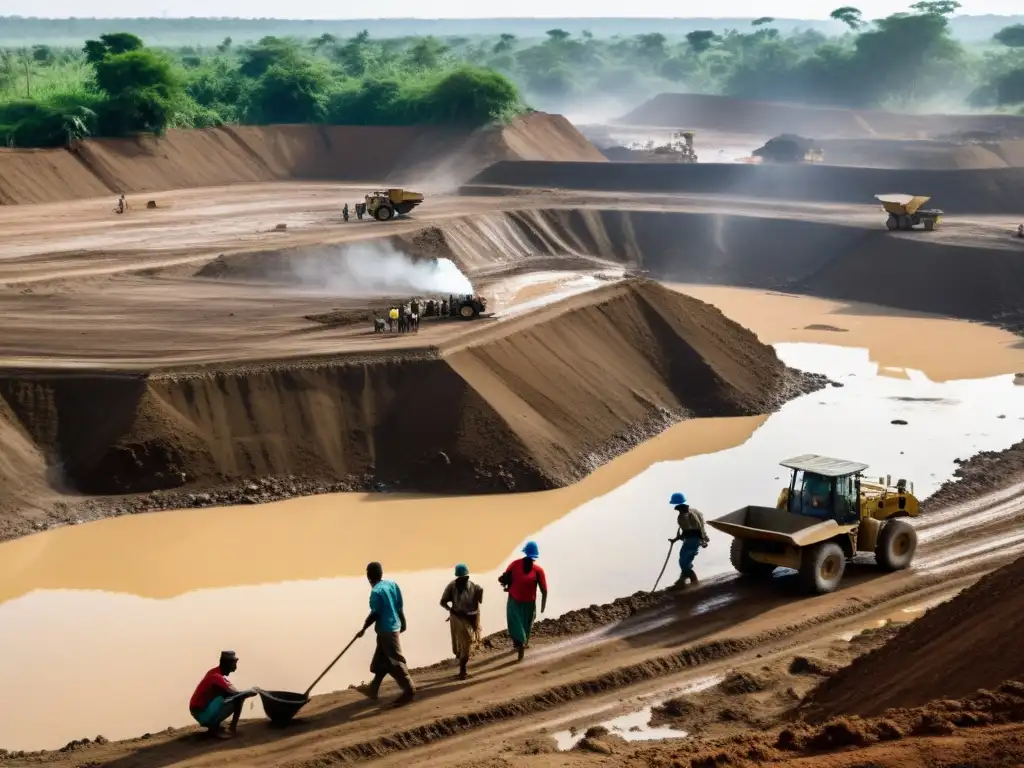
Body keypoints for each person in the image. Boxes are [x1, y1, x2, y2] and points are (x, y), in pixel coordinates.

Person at [356, 562, 415, 706]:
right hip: (392, 628)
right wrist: (403, 621)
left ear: (368, 576)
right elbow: (399, 605)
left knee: (395, 660)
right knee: (380, 662)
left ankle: (409, 690)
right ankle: (373, 688)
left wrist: (363, 628)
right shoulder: (391, 585)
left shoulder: (376, 592)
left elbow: (375, 613)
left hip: (387, 631)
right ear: (381, 574)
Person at [188, 651, 256, 738]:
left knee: (234, 697)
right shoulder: (216, 677)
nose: (235, 666)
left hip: (200, 710)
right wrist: (247, 693)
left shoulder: (215, 673)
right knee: (238, 700)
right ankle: (227, 728)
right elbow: (235, 694)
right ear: (227, 664)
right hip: (200, 713)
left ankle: (215, 725)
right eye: (234, 663)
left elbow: (232, 691)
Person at [498, 541, 547, 662]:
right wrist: (543, 605)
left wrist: (543, 606)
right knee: (523, 625)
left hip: (522, 602)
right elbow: (544, 590)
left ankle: (520, 644)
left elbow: (544, 589)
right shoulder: (534, 570)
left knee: (517, 624)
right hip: (522, 601)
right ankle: (521, 643)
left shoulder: (517, 565)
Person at [439, 564, 484, 680]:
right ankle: (462, 669)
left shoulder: (473, 586)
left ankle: (462, 667)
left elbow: (479, 601)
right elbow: (442, 602)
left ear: (468, 577)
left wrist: (480, 592)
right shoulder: (452, 587)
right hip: (458, 617)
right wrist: (451, 610)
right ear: (457, 578)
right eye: (460, 578)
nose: (463, 580)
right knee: (465, 641)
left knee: (467, 643)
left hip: (472, 616)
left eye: (465, 578)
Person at [668, 492, 709, 588]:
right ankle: (685, 580)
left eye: (677, 507)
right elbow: (685, 531)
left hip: (695, 540)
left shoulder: (692, 514)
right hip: (688, 539)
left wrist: (703, 540)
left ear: (681, 505)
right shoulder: (682, 516)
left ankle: (692, 583)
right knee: (683, 560)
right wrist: (676, 539)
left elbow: (700, 528)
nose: (676, 509)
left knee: (684, 562)